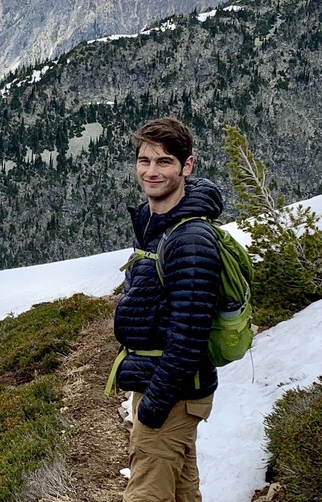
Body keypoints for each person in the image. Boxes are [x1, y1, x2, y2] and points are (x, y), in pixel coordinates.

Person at [114, 117, 223, 502]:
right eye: (145, 161)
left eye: (164, 162)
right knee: (180, 493)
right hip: (166, 388)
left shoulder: (190, 239)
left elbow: (189, 337)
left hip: (171, 394)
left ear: (186, 166)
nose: (152, 171)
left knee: (145, 495)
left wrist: (152, 410)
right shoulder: (158, 225)